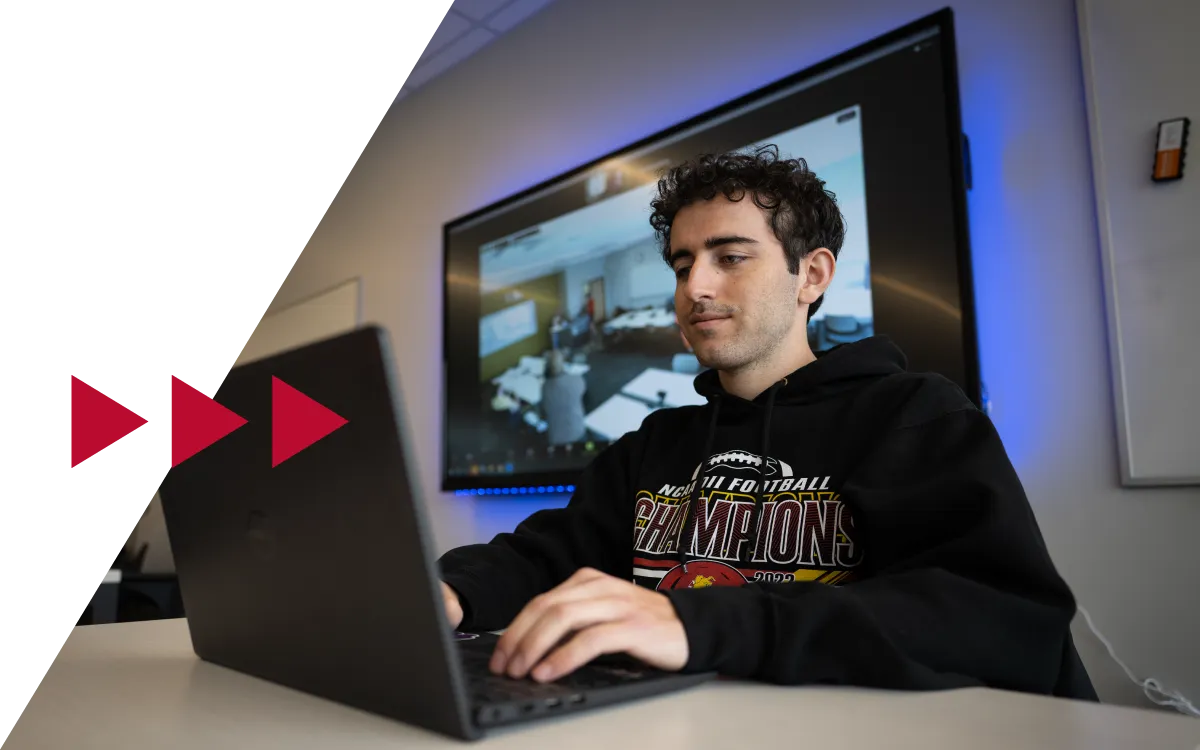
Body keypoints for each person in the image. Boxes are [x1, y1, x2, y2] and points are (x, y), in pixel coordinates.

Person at [437, 144, 1098, 701]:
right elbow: (544, 558)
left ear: (811, 275)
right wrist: (449, 591)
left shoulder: (913, 414)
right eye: (682, 265)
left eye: (729, 257)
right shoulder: (655, 444)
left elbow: (995, 617)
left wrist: (699, 624)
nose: (695, 288)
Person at [540, 349, 587, 446]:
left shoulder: (545, 387)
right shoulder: (577, 380)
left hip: (556, 440)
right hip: (578, 433)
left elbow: (543, 415)